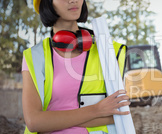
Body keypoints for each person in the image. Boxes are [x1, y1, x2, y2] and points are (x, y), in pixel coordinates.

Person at [22, 0, 130, 133]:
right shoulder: (34, 57)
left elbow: (119, 114)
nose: (73, 0)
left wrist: (52, 120)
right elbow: (35, 122)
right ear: (46, 3)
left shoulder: (109, 51)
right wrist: (96, 110)